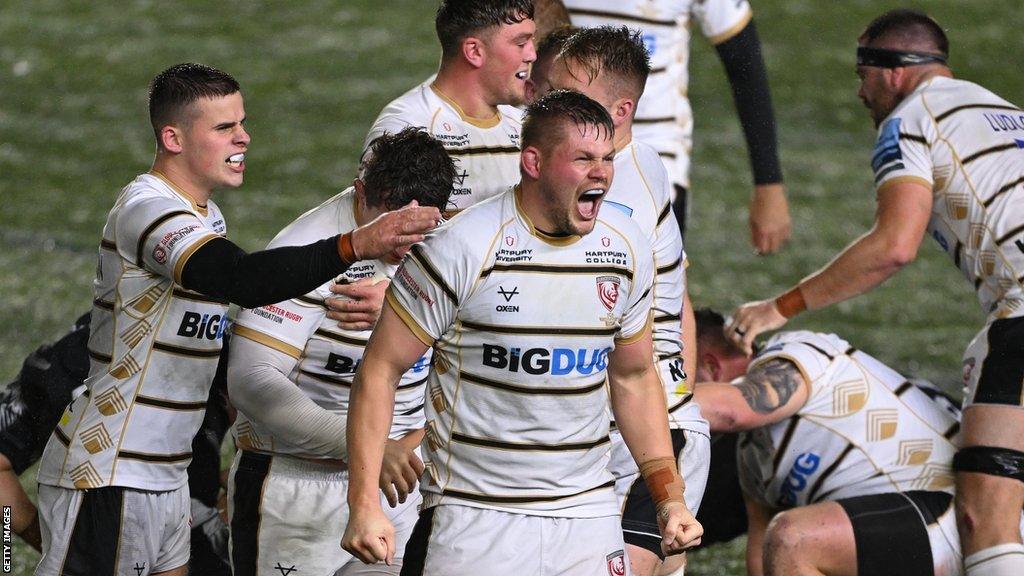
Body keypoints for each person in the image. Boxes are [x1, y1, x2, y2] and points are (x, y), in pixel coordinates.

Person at [32, 63, 442, 576]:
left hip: (166, 472)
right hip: (110, 467)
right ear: (173, 137)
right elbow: (243, 279)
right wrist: (356, 244)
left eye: (242, 122)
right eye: (224, 127)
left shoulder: (205, 217)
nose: (244, 137)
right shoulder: (147, 209)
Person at [341, 90, 703, 575]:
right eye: (582, 159)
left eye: (607, 159)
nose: (601, 173)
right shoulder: (462, 248)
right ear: (533, 162)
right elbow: (380, 370)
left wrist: (669, 499)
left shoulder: (627, 247)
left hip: (587, 515)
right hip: (474, 515)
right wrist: (364, 505)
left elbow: (635, 378)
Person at [727, 9, 1024, 574]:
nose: (859, 94)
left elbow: (893, 245)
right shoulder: (1005, 112)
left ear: (890, 71)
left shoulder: (910, 120)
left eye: (860, 75)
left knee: (987, 514)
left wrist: (778, 307)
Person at [225, 128, 456, 576]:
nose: (402, 240)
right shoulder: (307, 246)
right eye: (389, 223)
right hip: (295, 488)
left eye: (418, 226)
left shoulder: (450, 242)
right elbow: (251, 380)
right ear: (361, 192)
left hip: (401, 485)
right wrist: (369, 448)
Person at [543, 26, 707, 576]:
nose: (552, 107)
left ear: (621, 110)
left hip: (644, 436)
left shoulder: (603, 187)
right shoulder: (647, 163)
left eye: (570, 97)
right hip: (647, 422)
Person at [694, 308, 964, 576]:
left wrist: (653, 394)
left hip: (953, 516)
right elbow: (760, 560)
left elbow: (734, 409)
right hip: (908, 536)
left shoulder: (795, 352)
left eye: (682, 379)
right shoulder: (751, 456)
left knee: (795, 539)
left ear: (711, 366)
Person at [0, 314, 236, 575]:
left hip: (186, 526)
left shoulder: (226, 346)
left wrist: (240, 484)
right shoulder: (74, 363)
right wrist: (51, 543)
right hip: (115, 524)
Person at [562, 0, 790, 253]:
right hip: (557, 145)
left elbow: (743, 61)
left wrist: (768, 183)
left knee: (651, 286)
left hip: (655, 160)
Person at [364, 0, 535, 215]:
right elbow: (380, 233)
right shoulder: (404, 127)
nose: (532, 54)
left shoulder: (525, 127)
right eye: (521, 43)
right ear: (474, 51)